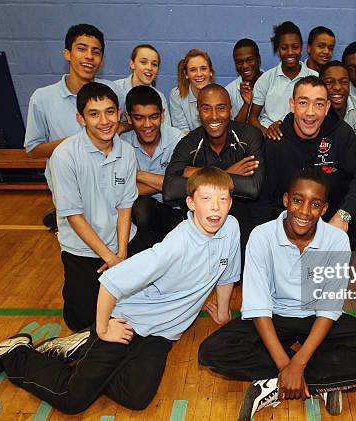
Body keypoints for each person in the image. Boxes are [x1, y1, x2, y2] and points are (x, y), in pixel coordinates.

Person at [0, 167, 241, 415]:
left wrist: (224, 311)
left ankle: (81, 348)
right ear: (190, 203)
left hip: (160, 335)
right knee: (71, 399)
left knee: (136, 397)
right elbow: (110, 282)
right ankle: (15, 354)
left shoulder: (231, 227)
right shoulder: (173, 248)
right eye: (206, 199)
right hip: (127, 321)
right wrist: (105, 329)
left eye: (223, 199)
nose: (216, 207)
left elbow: (226, 273)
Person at [199, 169, 356, 421]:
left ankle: (274, 383)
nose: (305, 211)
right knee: (211, 352)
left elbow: (329, 308)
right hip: (274, 317)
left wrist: (299, 364)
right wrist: (287, 366)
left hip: (318, 319)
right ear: (286, 200)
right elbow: (259, 308)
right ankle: (325, 380)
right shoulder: (262, 236)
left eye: (315, 204)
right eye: (298, 200)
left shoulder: (336, 240)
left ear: (324, 208)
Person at [47, 82, 145, 331]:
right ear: (81, 118)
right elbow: (73, 216)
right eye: (94, 114)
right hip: (83, 250)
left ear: (119, 114)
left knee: (135, 314)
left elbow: (125, 207)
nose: (104, 121)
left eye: (110, 112)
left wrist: (121, 253)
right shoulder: (64, 156)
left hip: (120, 246)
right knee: (82, 321)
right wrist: (109, 258)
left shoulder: (126, 152)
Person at [255, 76, 356, 250]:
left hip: (332, 218)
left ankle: (339, 260)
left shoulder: (340, 133)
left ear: (327, 107)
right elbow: (264, 196)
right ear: (292, 104)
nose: (310, 112)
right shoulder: (276, 140)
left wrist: (344, 215)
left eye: (319, 104)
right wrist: (270, 241)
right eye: (303, 103)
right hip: (290, 219)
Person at [23, 23, 123, 230]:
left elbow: (125, 125)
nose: (89, 56)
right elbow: (33, 149)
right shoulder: (42, 98)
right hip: (71, 195)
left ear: (101, 60)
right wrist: (78, 141)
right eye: (81, 48)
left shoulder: (113, 90)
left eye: (96, 52)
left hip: (110, 194)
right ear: (67, 53)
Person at [163, 84, 264, 251]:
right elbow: (170, 189)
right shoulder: (189, 142)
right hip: (203, 223)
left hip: (244, 218)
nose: (214, 116)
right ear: (198, 111)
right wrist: (225, 174)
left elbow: (253, 187)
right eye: (206, 109)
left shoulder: (248, 135)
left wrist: (194, 173)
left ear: (231, 108)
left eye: (221, 108)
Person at [121, 85, 184, 249]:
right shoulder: (122, 144)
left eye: (153, 116)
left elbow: (179, 186)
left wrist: (136, 174)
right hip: (139, 218)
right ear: (129, 117)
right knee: (141, 207)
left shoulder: (176, 138)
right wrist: (166, 182)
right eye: (139, 118)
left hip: (175, 212)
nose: (147, 124)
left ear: (162, 115)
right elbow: (122, 191)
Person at [249, 21, 318, 140]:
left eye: (295, 47)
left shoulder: (314, 78)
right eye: (284, 48)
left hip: (302, 137)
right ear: (278, 50)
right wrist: (267, 132)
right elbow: (252, 118)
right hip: (270, 138)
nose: (290, 52)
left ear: (302, 48)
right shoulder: (266, 79)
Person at [114, 44, 170, 125]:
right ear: (132, 64)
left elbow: (165, 129)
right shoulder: (115, 89)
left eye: (154, 64)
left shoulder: (160, 97)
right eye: (143, 62)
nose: (149, 68)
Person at [169, 48, 215, 133]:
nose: (199, 74)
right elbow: (182, 132)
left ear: (210, 72)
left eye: (203, 68)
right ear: (186, 74)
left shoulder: (221, 95)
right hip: (190, 144)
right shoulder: (177, 95)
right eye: (193, 70)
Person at [225, 38, 264, 123]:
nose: (245, 66)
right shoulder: (228, 92)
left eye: (250, 60)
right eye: (239, 62)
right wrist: (246, 104)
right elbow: (233, 130)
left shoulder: (271, 82)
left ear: (259, 59)